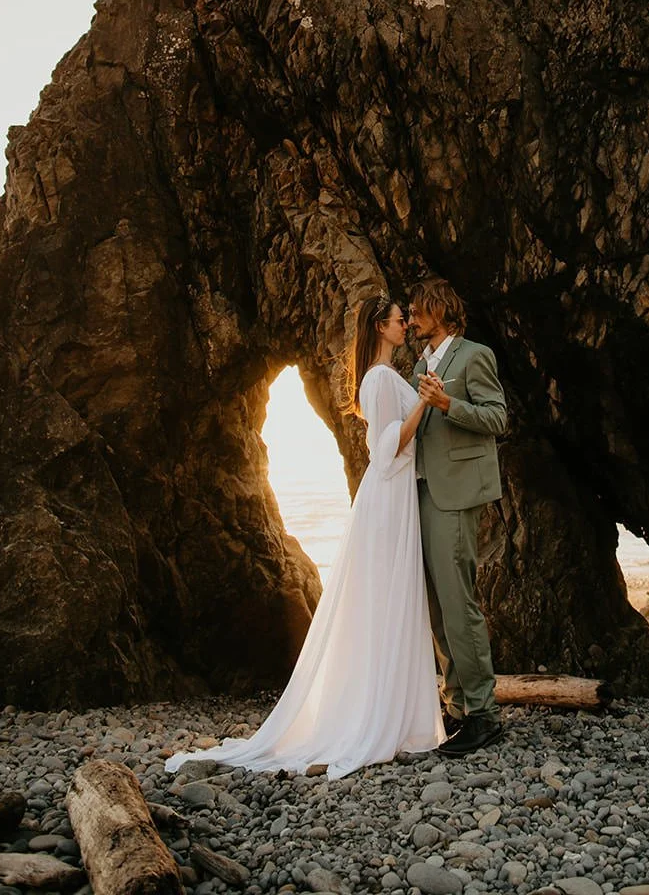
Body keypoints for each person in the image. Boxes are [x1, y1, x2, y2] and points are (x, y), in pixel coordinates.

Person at [164, 294, 444, 779]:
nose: (407, 324)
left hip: (396, 497)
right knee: (384, 602)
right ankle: (376, 717)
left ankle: (398, 714)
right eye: (401, 319)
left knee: (392, 602)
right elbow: (383, 451)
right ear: (381, 325)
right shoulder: (379, 378)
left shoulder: (386, 376)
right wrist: (422, 402)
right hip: (387, 496)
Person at [411, 275, 508, 757]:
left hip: (456, 495)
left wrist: (448, 403)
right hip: (421, 492)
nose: (411, 319)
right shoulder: (418, 365)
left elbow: (497, 417)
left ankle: (484, 714)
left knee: (458, 603)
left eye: (418, 311)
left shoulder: (474, 356)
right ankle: (455, 709)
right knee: (434, 608)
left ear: (442, 312)